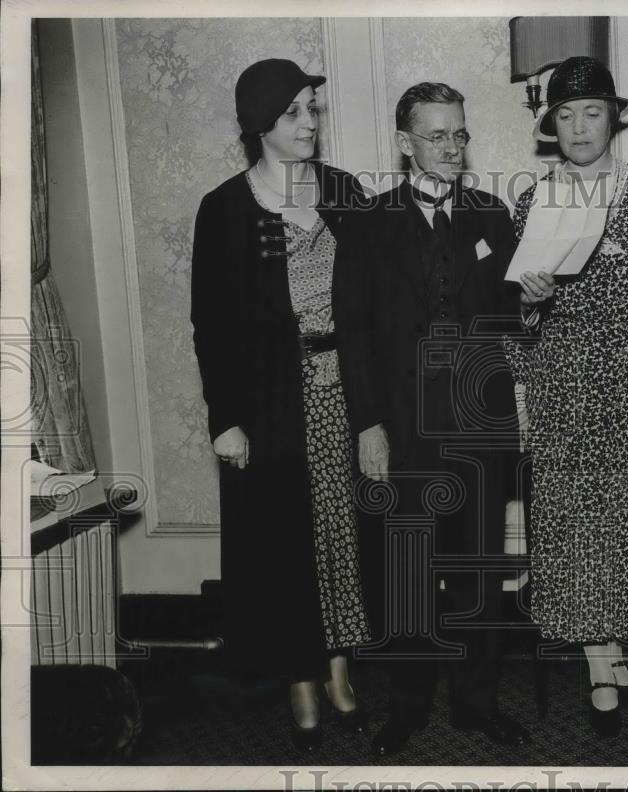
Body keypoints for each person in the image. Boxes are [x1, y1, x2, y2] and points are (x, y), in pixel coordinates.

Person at [333, 82, 530, 758]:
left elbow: (511, 321)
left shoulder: (492, 215)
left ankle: (478, 705)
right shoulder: (367, 221)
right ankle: (407, 708)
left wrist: (533, 299)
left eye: (460, 134)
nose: (452, 147)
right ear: (405, 142)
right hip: (402, 425)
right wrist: (368, 426)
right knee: (406, 572)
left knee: (477, 571)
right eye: (438, 135)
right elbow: (352, 331)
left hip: (480, 422)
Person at [504, 56, 628, 738]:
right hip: (561, 387)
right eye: (566, 114)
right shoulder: (534, 200)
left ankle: (611, 651)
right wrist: (528, 311)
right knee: (573, 532)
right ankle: (600, 670)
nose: (579, 126)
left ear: (613, 118)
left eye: (592, 112)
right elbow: (513, 318)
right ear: (550, 124)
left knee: (627, 529)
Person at [190, 58, 370, 753]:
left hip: (344, 396)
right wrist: (225, 418)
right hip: (269, 405)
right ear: (260, 122)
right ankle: (300, 675)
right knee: (283, 544)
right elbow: (213, 324)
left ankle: (338, 665)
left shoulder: (345, 193)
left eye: (313, 110)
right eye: (293, 112)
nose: (308, 124)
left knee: (342, 539)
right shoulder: (228, 208)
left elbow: (379, 291)